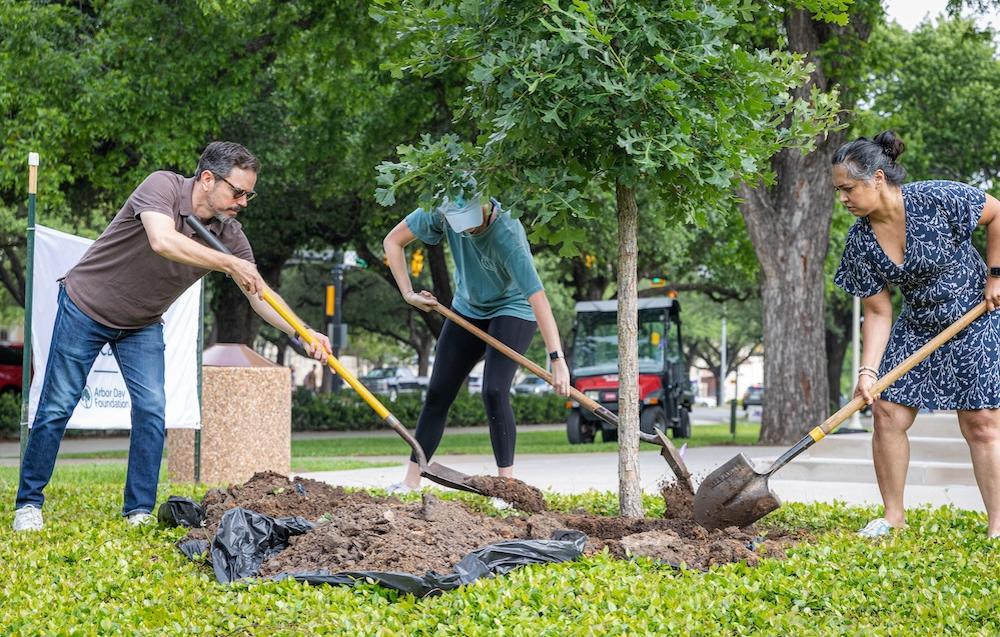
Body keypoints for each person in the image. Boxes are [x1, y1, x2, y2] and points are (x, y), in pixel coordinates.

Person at [13, 142, 330, 532]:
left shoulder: (229, 233)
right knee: (58, 405)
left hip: (142, 323)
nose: (243, 202)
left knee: (152, 409)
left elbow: (258, 293)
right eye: (238, 192)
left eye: (250, 194)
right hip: (85, 306)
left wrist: (303, 331)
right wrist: (229, 262)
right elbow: (162, 240)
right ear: (208, 178)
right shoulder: (162, 186)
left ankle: (138, 511)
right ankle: (28, 504)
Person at [832, 131, 1000, 539]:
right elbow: (877, 309)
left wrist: (996, 275)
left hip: (975, 314)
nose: (843, 199)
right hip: (919, 322)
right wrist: (869, 371)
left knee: (980, 422)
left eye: (848, 188)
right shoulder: (861, 241)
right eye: (838, 191)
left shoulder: (935, 198)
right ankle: (893, 518)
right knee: (887, 410)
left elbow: (997, 214)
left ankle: (998, 525)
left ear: (876, 178)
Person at [382, 194, 571, 493]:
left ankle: (506, 489)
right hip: (468, 306)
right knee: (437, 393)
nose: (469, 232)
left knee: (494, 390)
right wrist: (408, 294)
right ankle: (411, 481)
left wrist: (557, 360)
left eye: (472, 225)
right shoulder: (442, 208)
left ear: (485, 206)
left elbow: (538, 298)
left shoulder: (508, 234)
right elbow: (392, 241)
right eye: (463, 227)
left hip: (513, 307)